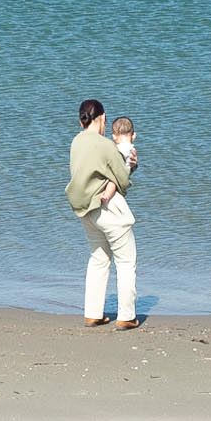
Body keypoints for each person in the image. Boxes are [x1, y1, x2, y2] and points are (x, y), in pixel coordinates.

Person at [67, 98, 140, 330]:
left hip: (86, 210)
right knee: (126, 261)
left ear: (81, 121)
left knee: (98, 259)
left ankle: (92, 313)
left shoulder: (76, 143)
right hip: (109, 211)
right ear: (102, 119)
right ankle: (126, 316)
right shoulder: (105, 145)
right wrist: (132, 166)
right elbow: (123, 180)